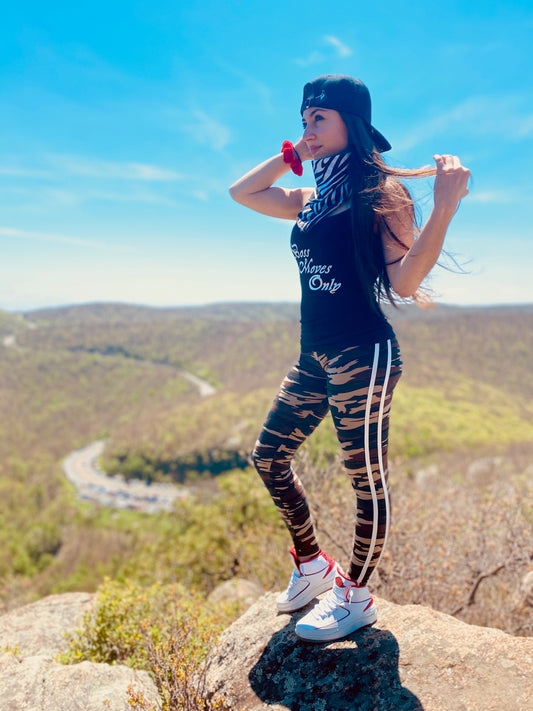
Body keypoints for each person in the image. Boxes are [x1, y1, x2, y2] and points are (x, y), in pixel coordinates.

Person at [229, 74, 470, 642]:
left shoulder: (381, 194)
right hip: (315, 353)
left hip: (365, 351)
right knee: (269, 456)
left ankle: (356, 596)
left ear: (351, 124)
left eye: (320, 118)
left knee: (365, 480)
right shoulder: (314, 198)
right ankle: (312, 565)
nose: (308, 128)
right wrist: (292, 154)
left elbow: (406, 282)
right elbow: (242, 193)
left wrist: (447, 207)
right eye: (304, 118)